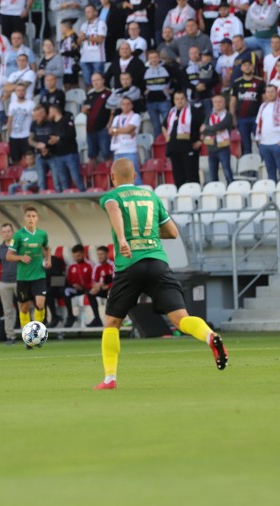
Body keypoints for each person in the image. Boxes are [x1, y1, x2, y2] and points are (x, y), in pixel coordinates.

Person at [95, 158, 228, 390]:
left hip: (130, 265)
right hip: (157, 262)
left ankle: (109, 379)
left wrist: (124, 238)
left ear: (112, 177)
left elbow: (113, 209)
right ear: (135, 176)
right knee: (181, 318)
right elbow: (172, 232)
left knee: (112, 323)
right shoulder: (151, 197)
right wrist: (150, 237)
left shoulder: (111, 197)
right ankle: (209, 337)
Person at [6, 207, 51, 347]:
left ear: (37, 218)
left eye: (33, 216)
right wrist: (21, 257)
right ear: (24, 218)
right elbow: (8, 256)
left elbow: (47, 248)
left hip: (39, 275)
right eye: (28, 216)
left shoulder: (42, 234)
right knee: (24, 308)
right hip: (23, 278)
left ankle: (38, 333)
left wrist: (48, 259)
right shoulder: (18, 236)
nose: (31, 218)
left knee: (40, 304)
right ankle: (28, 338)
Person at [255, 84, 280, 182]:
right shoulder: (263, 106)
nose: (270, 94)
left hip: (278, 143)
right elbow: (259, 123)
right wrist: (259, 141)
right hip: (265, 144)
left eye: (272, 91)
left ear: (276, 92)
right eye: (268, 92)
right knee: (270, 172)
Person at [164, 91, 203, 185]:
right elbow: (164, 126)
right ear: (174, 100)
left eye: (182, 98)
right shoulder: (171, 112)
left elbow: (205, 125)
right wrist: (167, 138)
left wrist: (200, 141)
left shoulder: (194, 111)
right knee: (178, 176)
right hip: (174, 148)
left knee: (192, 175)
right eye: (177, 99)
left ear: (186, 99)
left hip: (189, 147)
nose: (179, 101)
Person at [230, 58, 265, 156]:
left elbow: (265, 101)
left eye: (249, 65)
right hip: (242, 119)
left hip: (257, 119)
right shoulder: (236, 83)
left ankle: (264, 167)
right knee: (246, 147)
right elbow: (233, 103)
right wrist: (234, 120)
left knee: (261, 144)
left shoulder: (260, 82)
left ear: (253, 67)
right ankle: (249, 170)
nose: (247, 67)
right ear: (241, 68)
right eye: (245, 65)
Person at [48, 104, 87, 191]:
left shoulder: (67, 120)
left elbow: (72, 134)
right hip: (57, 155)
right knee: (63, 181)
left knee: (76, 178)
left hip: (70, 154)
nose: (49, 114)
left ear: (55, 111)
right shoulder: (51, 124)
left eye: (50, 112)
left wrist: (58, 138)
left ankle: (85, 196)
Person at [0, 223, 19, 344]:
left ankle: (28, 335)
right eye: (4, 231)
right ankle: (10, 336)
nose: (6, 233)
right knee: (7, 311)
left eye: (8, 231)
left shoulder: (19, 246)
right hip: (5, 283)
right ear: (1, 234)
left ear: (13, 232)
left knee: (24, 308)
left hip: (20, 281)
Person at [108, 97, 143, 185]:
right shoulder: (117, 117)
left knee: (133, 175)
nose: (126, 106)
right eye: (123, 104)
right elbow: (110, 131)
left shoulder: (135, 116)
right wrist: (123, 130)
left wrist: (116, 130)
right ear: (120, 106)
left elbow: (128, 129)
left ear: (132, 105)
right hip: (118, 150)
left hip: (130, 150)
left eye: (128, 104)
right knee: (118, 176)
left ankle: (139, 195)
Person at [64, 244, 100, 327]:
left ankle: (97, 318)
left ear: (83, 254)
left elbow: (94, 280)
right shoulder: (72, 266)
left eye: (78, 256)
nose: (76, 258)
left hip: (88, 289)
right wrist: (73, 285)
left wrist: (84, 287)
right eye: (75, 256)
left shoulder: (90, 264)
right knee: (65, 291)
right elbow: (69, 280)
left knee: (91, 293)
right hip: (76, 290)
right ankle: (70, 316)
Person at [201, 94, 235, 182]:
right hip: (211, 148)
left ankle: (232, 190)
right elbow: (203, 131)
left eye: (220, 101)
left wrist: (208, 128)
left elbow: (221, 126)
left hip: (223, 148)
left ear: (224, 103)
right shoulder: (209, 115)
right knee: (213, 174)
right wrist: (213, 129)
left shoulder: (227, 115)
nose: (218, 103)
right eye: (215, 102)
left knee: (227, 172)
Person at [82, 73, 112, 166]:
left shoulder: (109, 94)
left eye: (97, 80)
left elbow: (113, 111)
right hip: (90, 129)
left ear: (103, 80)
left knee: (106, 154)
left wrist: (109, 124)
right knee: (92, 155)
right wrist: (84, 110)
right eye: (93, 81)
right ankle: (92, 178)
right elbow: (86, 110)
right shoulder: (90, 94)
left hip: (103, 128)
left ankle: (110, 176)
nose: (95, 82)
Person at [144, 50, 173, 136]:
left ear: (159, 57)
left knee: (167, 125)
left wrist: (171, 90)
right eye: (151, 58)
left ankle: (169, 145)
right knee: (156, 126)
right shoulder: (144, 70)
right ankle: (159, 146)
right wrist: (144, 93)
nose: (154, 60)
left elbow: (177, 78)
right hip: (150, 102)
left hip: (164, 100)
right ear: (148, 59)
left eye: (155, 57)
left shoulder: (166, 68)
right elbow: (140, 83)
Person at [5, 82, 34, 165]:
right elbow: (10, 120)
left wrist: (32, 136)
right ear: (15, 92)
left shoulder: (31, 104)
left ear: (25, 92)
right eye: (18, 90)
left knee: (29, 160)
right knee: (15, 161)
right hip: (14, 137)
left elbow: (34, 119)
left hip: (26, 136)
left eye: (22, 90)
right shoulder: (12, 104)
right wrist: (9, 136)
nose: (20, 92)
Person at [78, 6, 107, 86]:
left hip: (97, 57)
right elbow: (78, 42)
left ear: (95, 12)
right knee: (88, 83)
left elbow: (100, 39)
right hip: (85, 57)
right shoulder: (83, 25)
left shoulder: (101, 23)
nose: (87, 14)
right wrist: (80, 38)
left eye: (89, 12)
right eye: (86, 12)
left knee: (99, 81)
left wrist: (86, 37)